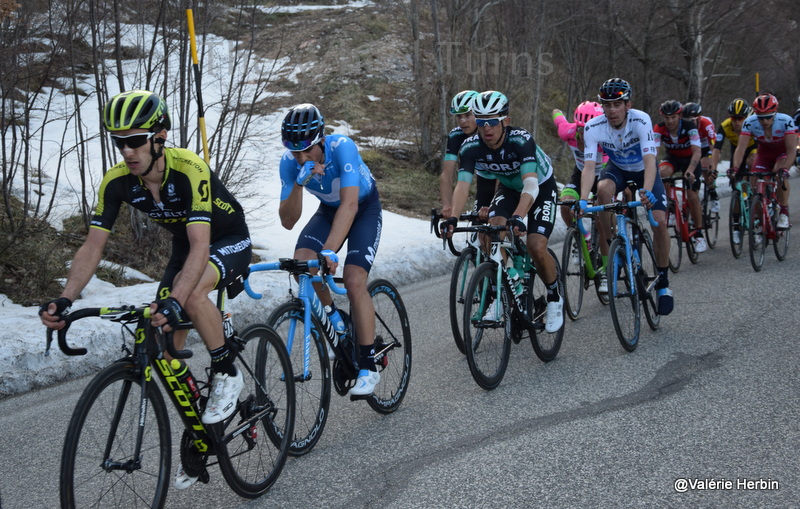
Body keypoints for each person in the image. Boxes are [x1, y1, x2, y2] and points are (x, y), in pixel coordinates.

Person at [38, 89, 253, 490]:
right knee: (167, 345)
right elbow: (92, 245)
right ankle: (199, 429)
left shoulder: (190, 169)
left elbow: (202, 246)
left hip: (226, 239)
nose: (127, 150)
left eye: (135, 140)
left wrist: (174, 300)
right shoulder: (118, 182)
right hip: (183, 247)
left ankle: (226, 369)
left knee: (187, 297)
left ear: (160, 136)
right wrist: (66, 297)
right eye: (119, 142)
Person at [278, 103, 383, 396]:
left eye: (307, 150)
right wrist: (298, 186)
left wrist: (330, 251)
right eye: (295, 152)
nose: (301, 158)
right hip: (329, 210)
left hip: (363, 208)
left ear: (321, 140)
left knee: (353, 280)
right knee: (303, 263)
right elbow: (288, 221)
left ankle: (368, 364)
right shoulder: (290, 163)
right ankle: (334, 318)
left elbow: (350, 205)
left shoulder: (342, 148)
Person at [443, 90, 563, 333]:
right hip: (508, 188)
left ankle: (554, 297)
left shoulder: (520, 140)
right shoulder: (471, 146)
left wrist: (518, 216)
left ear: (505, 121)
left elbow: (530, 184)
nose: (487, 128)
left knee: (536, 246)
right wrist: (453, 217)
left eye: (493, 122)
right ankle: (506, 288)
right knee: (492, 229)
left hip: (540, 187)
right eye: (482, 121)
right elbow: (463, 184)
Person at [578, 78, 673, 315]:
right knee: (602, 191)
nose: (611, 110)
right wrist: (581, 199)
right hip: (618, 169)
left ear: (627, 105)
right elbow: (590, 167)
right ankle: (615, 245)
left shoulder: (641, 120)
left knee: (659, 222)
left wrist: (647, 191)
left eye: (616, 104)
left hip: (645, 171)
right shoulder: (593, 127)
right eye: (606, 105)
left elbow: (651, 161)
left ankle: (663, 282)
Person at [551, 101, 607, 275]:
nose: (584, 135)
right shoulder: (567, 132)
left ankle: (606, 270)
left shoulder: (606, 137)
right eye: (581, 130)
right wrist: (557, 111)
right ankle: (577, 236)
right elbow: (557, 115)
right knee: (566, 203)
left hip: (604, 174)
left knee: (601, 220)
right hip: (581, 172)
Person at [731, 93, 797, 230]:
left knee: (779, 174)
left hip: (782, 153)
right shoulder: (750, 122)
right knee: (755, 183)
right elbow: (741, 149)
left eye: (768, 117)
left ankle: (784, 212)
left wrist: (785, 168)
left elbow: (791, 151)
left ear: (775, 113)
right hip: (764, 155)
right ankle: (762, 220)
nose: (764, 121)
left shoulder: (786, 121)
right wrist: (735, 167)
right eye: (761, 118)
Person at [653, 99, 706, 253]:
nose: (670, 121)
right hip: (673, 158)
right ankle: (670, 205)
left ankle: (699, 234)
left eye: (673, 117)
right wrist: (652, 169)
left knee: (692, 196)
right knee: (663, 174)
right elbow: (654, 152)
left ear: (679, 116)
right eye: (667, 118)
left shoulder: (690, 126)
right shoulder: (659, 128)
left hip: (690, 160)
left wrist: (690, 170)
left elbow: (697, 151)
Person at [439, 90, 494, 219]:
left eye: (468, 115)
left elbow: (502, 173)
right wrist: (447, 206)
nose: (462, 120)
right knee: (479, 228)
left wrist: (496, 206)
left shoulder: (491, 132)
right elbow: (447, 175)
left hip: (507, 181)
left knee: (498, 223)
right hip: (484, 180)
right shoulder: (456, 135)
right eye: (459, 116)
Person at [711, 98, 757, 245]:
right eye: (734, 118)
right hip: (736, 152)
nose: (737, 122)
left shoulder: (753, 124)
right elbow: (717, 149)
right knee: (736, 188)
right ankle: (737, 226)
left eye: (740, 118)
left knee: (752, 162)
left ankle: (756, 198)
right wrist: (713, 168)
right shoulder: (725, 126)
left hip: (753, 150)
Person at [682, 102, 719, 213]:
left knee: (705, 166)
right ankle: (695, 205)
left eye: (693, 120)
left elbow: (714, 147)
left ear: (698, 119)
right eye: (687, 120)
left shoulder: (706, 124)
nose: (690, 123)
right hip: (693, 148)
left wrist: (713, 167)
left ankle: (713, 193)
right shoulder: (684, 125)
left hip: (706, 146)